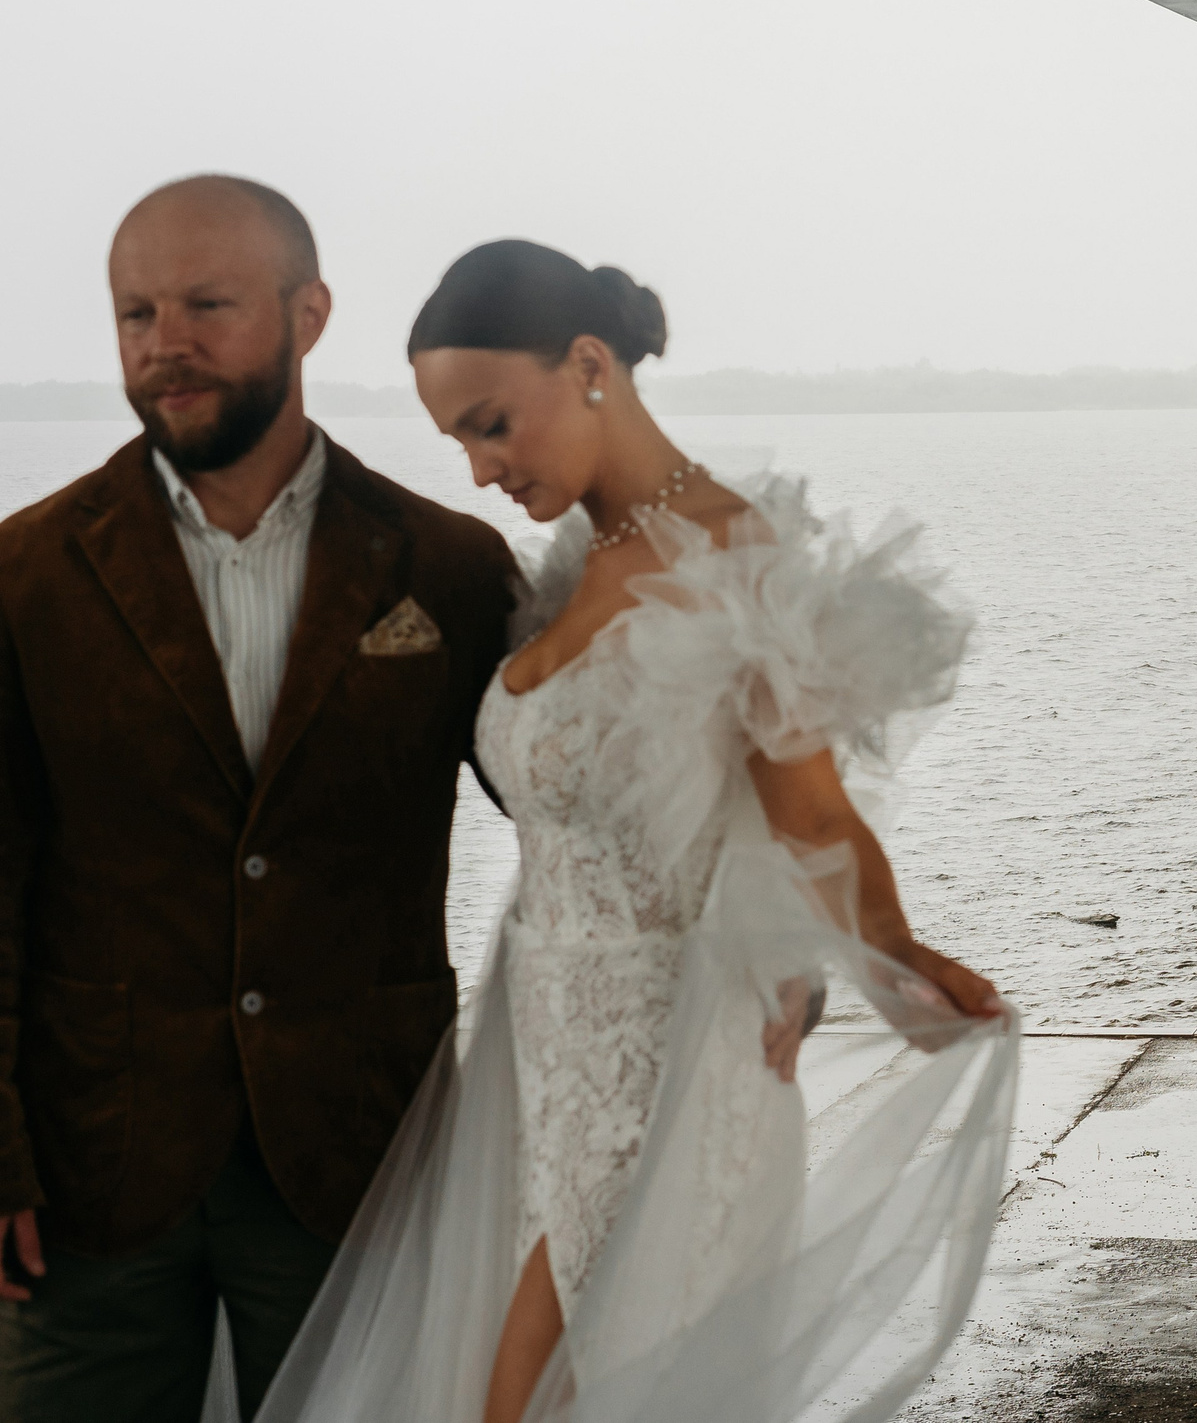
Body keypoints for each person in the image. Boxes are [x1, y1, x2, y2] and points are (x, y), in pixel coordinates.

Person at [245, 240, 1017, 1423]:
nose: (479, 464)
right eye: (456, 438)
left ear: (591, 363)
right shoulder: (576, 563)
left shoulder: (735, 560)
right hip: (533, 1054)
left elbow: (806, 807)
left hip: (666, 1058)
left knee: (557, 1394)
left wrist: (895, 959)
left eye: (492, 423)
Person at [0, 176, 519, 1421]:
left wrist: (769, 931)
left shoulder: (449, 566)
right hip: (89, 1174)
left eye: (207, 304)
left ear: (309, 313)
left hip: (361, 1151)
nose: (162, 342)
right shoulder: (24, 575)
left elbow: (582, 807)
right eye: (135, 312)